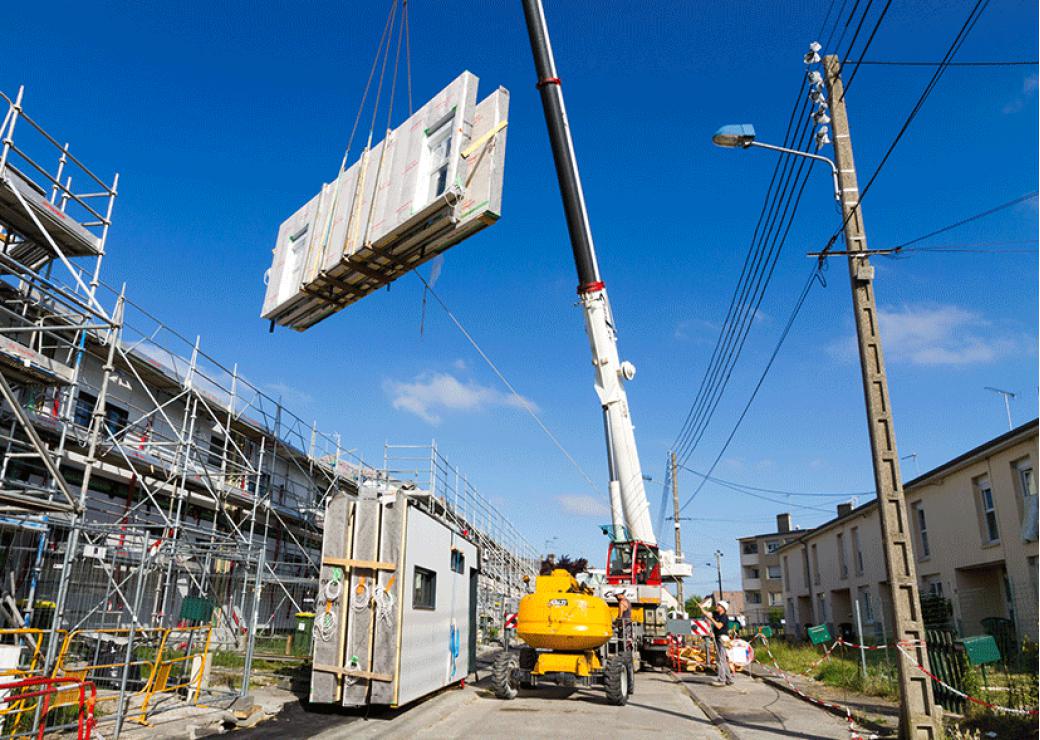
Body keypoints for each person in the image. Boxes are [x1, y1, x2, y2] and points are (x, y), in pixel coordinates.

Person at [708, 599, 734, 686]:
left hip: (722, 639)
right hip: (718, 637)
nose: (717, 606)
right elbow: (707, 614)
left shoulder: (724, 617)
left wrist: (711, 619)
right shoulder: (716, 614)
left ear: (722, 608)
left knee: (720, 660)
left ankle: (722, 680)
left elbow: (719, 626)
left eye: (718, 605)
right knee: (722, 659)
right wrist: (701, 607)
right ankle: (728, 679)